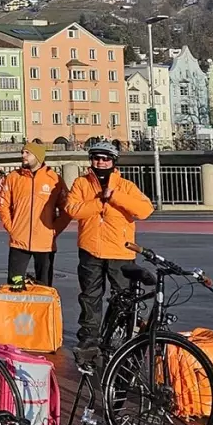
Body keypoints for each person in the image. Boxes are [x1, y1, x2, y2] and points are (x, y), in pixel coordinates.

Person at [66, 140, 154, 358]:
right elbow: (72, 210)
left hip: (120, 251)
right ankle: (88, 339)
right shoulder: (81, 184)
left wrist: (114, 196)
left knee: (124, 298)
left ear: (113, 161)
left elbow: (144, 210)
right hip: (90, 250)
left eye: (106, 158)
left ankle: (122, 337)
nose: (101, 162)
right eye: (97, 158)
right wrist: (99, 202)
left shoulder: (126, 186)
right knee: (89, 297)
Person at [0, 142, 69, 287]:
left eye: (27, 153)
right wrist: (11, 227)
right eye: (22, 152)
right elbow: (3, 204)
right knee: (14, 285)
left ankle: (42, 310)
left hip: (45, 243)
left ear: (38, 156)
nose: (22, 155)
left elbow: (67, 209)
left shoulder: (54, 179)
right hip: (19, 241)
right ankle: (15, 310)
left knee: (44, 287)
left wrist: (54, 230)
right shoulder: (13, 177)